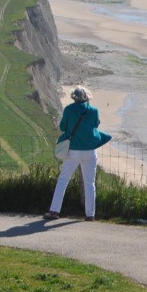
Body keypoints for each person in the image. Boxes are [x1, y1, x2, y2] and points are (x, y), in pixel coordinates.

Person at [45, 86, 111, 221]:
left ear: (73, 97)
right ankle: (90, 214)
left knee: (63, 180)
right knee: (90, 183)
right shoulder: (94, 111)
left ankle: (54, 211)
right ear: (86, 97)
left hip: (73, 151)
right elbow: (96, 125)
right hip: (90, 151)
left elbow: (63, 127)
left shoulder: (69, 110)